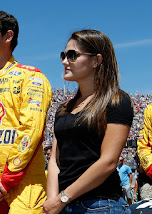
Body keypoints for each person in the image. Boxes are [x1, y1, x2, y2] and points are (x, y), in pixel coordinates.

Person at [0, 10, 52, 213]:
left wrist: (4, 182)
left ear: (8, 36)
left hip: (25, 191)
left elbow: (30, 133)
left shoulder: (32, 78)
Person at [42, 29, 133, 214]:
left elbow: (108, 161)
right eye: (63, 55)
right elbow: (54, 161)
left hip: (100, 205)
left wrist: (62, 198)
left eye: (72, 55)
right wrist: (53, 202)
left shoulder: (116, 101)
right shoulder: (63, 109)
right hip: (64, 205)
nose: (64, 61)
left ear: (96, 60)